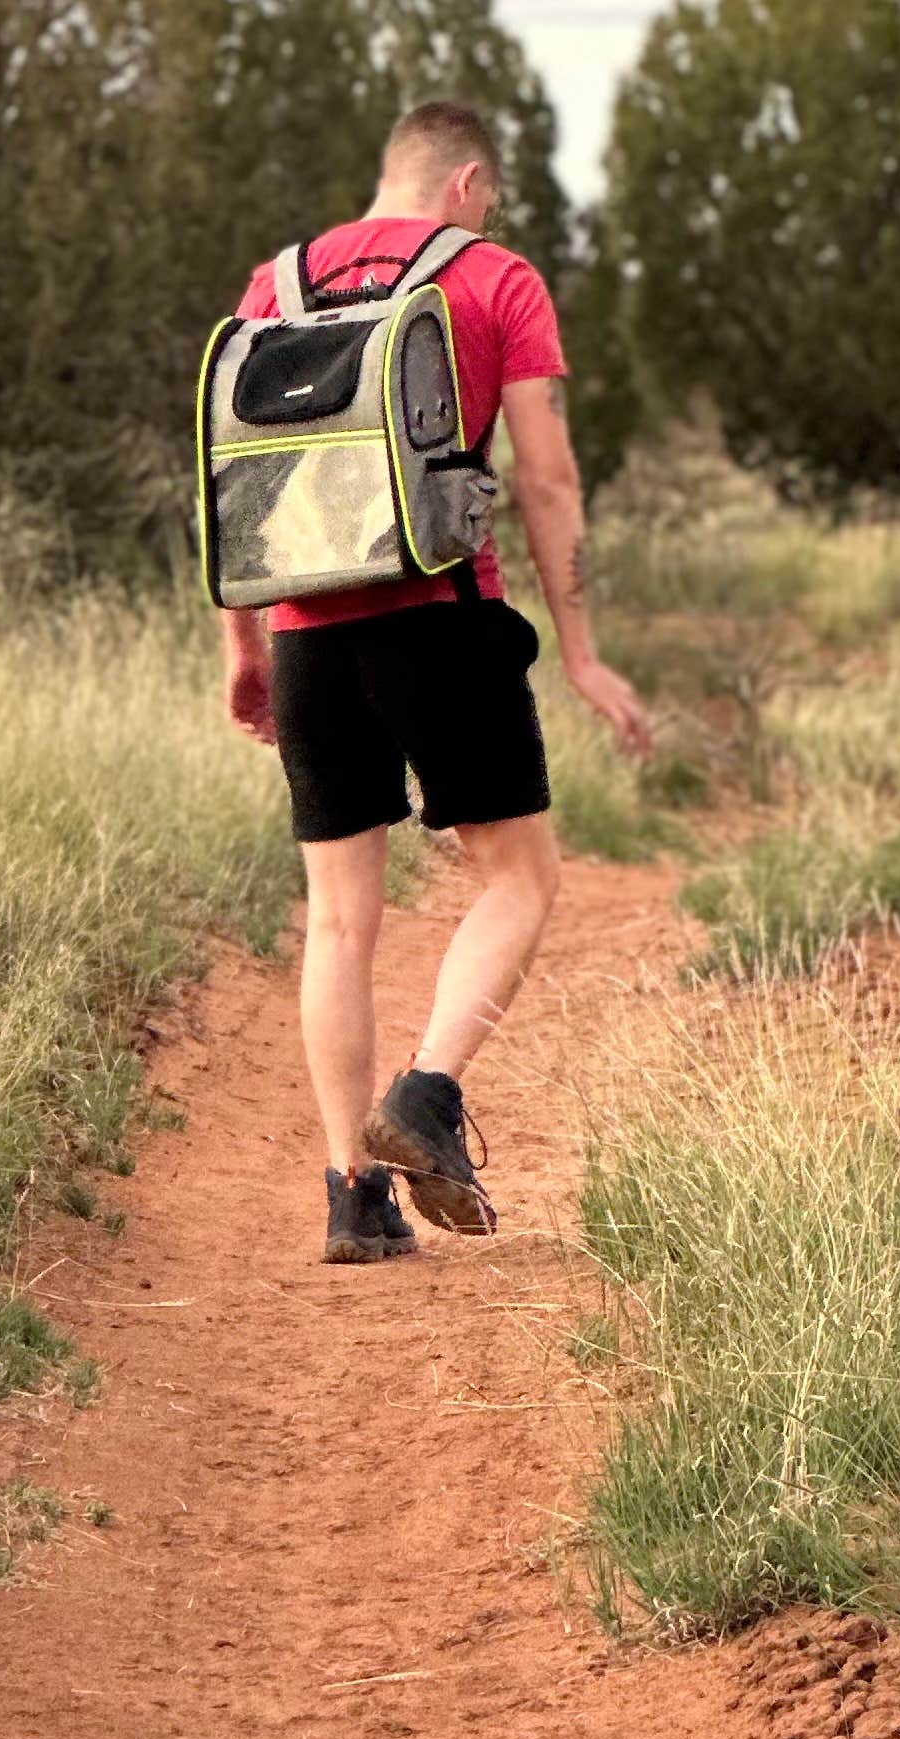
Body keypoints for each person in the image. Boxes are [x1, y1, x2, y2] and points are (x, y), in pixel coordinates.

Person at [218, 97, 651, 1262]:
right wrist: (583, 647)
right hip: (442, 616)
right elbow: (548, 478)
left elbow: (235, 469)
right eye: (491, 194)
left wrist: (244, 648)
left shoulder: (279, 283)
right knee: (517, 878)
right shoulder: (495, 278)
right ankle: (427, 1096)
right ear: (465, 183)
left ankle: (351, 1196)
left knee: (338, 919)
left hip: (308, 626)